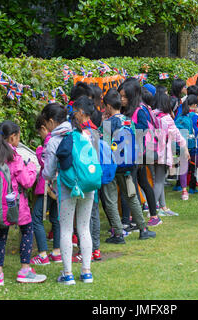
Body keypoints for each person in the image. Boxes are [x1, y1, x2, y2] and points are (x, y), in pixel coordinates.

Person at [0, 120, 46, 285]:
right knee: (27, 231)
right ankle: (25, 270)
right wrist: (32, 168)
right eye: (18, 136)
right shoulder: (14, 157)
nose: (19, 139)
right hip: (15, 203)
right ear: (12, 137)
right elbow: (26, 182)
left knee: (1, 236)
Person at [41, 103, 93, 285]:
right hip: (88, 186)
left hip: (67, 188)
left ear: (50, 121)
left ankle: (68, 274)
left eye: (45, 123)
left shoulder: (54, 140)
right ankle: (87, 272)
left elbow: (47, 173)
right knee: (84, 228)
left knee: (66, 229)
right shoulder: (82, 134)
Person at [100, 88, 156, 243]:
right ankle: (143, 229)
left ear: (109, 107)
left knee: (111, 199)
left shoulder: (107, 124)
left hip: (112, 168)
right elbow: (138, 142)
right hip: (129, 168)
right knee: (132, 197)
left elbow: (103, 146)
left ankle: (118, 234)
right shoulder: (129, 121)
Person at [119, 79, 162, 227]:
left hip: (138, 155)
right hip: (133, 154)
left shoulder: (139, 111)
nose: (121, 99)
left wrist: (128, 125)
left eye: (124, 96)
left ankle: (138, 218)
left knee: (134, 185)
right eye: (120, 96)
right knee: (141, 183)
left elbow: (142, 133)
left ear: (132, 96)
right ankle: (149, 215)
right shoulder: (126, 111)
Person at [72, 96, 103, 263]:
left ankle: (86, 251)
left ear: (82, 112)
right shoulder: (96, 131)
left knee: (85, 215)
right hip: (95, 173)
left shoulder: (80, 132)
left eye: (75, 111)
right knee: (94, 213)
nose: (74, 114)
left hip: (83, 176)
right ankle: (95, 249)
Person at [30, 115, 61, 266]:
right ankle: (57, 252)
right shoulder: (61, 137)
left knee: (36, 217)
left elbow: (46, 162)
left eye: (39, 132)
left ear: (44, 128)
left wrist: (38, 151)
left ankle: (43, 254)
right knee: (56, 218)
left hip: (47, 186)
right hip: (59, 185)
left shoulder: (49, 141)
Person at [152, 90, 189, 214]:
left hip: (151, 152)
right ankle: (151, 209)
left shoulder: (151, 115)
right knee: (159, 181)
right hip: (162, 153)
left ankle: (163, 207)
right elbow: (178, 135)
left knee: (159, 180)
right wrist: (185, 149)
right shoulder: (166, 118)